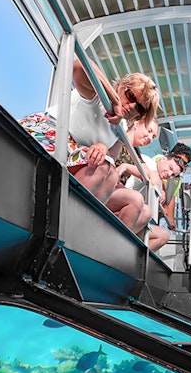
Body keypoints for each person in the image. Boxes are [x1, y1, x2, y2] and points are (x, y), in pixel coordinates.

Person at [19, 59, 164, 241]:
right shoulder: (98, 96)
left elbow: (110, 158)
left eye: (140, 108)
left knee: (110, 174)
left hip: (70, 157)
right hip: (50, 135)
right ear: (121, 86)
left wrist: (102, 146)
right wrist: (114, 99)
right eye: (131, 96)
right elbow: (78, 65)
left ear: (140, 116)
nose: (132, 105)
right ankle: (54, 223)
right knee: (105, 168)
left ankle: (73, 230)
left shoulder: (120, 129)